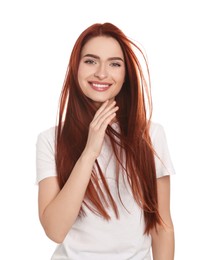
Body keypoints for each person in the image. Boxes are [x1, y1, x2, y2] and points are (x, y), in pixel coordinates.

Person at [36, 22, 175, 260]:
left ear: (126, 74)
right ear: (75, 68)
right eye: (90, 61)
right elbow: (55, 230)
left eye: (114, 64)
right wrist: (90, 152)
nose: (102, 73)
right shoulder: (51, 140)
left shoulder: (151, 135)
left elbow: (161, 226)